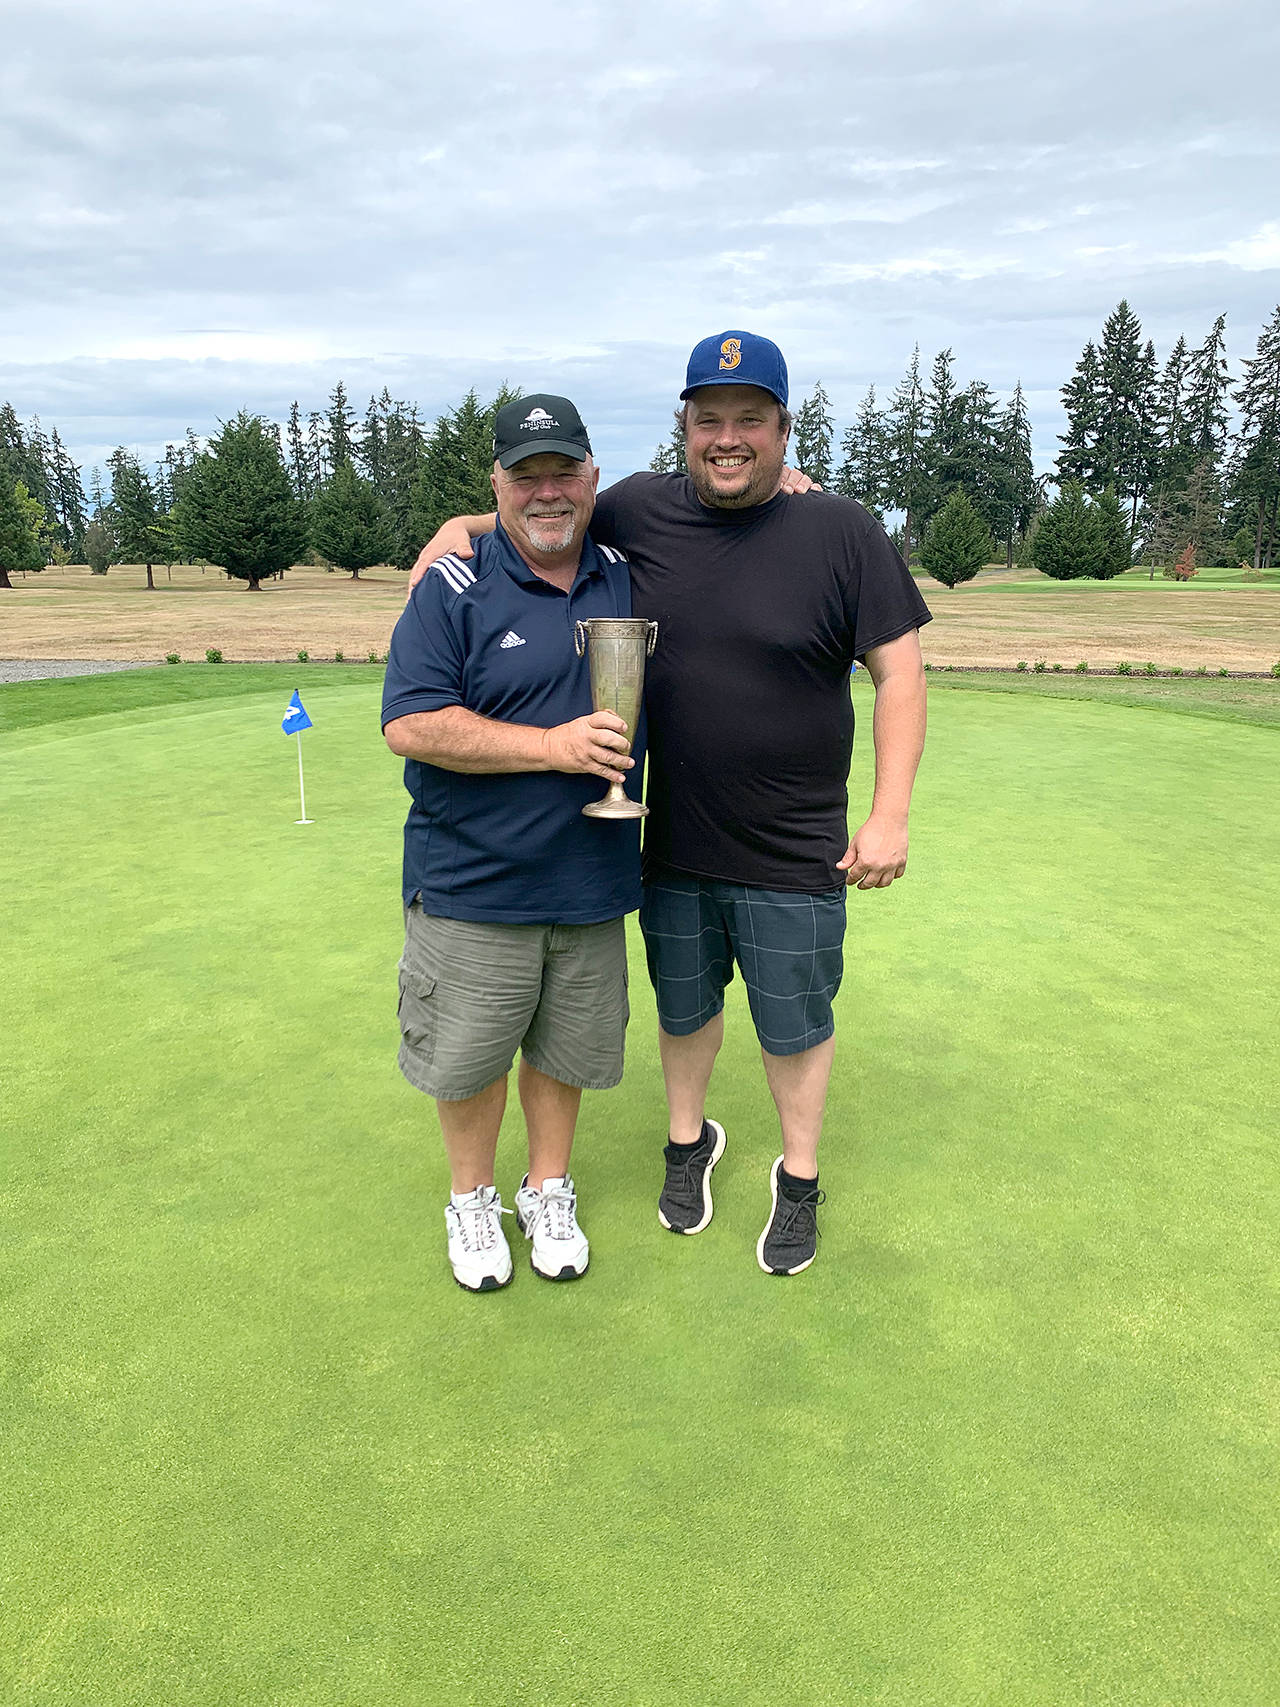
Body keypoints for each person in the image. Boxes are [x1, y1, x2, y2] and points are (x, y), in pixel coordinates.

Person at [412, 334, 930, 1277]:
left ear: (783, 427)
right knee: (683, 1012)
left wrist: (890, 812)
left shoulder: (844, 530)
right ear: (683, 427)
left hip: (793, 842)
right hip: (666, 839)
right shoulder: (639, 508)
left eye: (750, 421)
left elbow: (899, 672)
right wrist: (460, 527)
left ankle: (799, 1178)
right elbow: (540, 507)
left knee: (795, 1021)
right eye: (710, 420)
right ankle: (687, 1145)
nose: (727, 438)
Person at [382, 394, 641, 1292]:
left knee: (564, 1052)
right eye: (524, 476)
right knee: (469, 1056)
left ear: (592, 477)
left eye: (563, 472)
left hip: (592, 875)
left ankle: (547, 1189)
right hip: (474, 881)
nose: (546, 493)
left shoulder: (623, 569)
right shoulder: (452, 583)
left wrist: (795, 480)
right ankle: (472, 1201)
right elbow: (410, 724)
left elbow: (726, 493)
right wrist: (553, 748)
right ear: (496, 484)